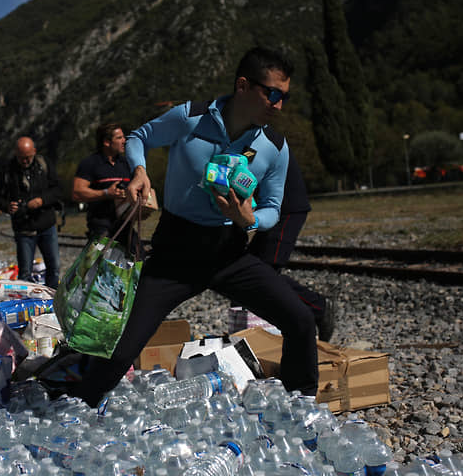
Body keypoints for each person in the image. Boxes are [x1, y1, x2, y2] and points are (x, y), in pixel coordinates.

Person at [69, 47, 319, 407]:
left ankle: (301, 405)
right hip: (175, 253)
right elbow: (139, 137)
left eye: (285, 97)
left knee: (299, 320)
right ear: (244, 85)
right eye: (273, 94)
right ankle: (79, 405)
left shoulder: (275, 147)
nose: (279, 105)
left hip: (229, 254)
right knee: (122, 349)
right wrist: (139, 170)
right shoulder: (190, 117)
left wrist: (250, 221)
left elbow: (273, 209)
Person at [247, 151, 336, 341]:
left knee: (263, 272)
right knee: (249, 270)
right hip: (273, 208)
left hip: (285, 209)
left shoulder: (255, 136)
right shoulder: (243, 132)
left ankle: (319, 307)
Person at [0, 136, 62, 288]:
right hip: (24, 228)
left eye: (28, 157)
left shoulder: (44, 165)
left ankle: (52, 298)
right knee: (25, 272)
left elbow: (57, 190)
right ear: (15, 154)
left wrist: (42, 201)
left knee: (54, 267)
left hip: (47, 225)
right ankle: (27, 303)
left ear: (34, 152)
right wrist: (7, 206)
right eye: (21, 158)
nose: (25, 161)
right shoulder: (7, 171)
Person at [71, 123, 132, 240]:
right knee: (103, 258)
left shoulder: (126, 163)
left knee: (137, 256)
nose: (124, 141)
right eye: (119, 138)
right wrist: (106, 193)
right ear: (106, 142)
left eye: (124, 137)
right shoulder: (90, 163)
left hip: (125, 224)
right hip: (101, 226)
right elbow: (77, 193)